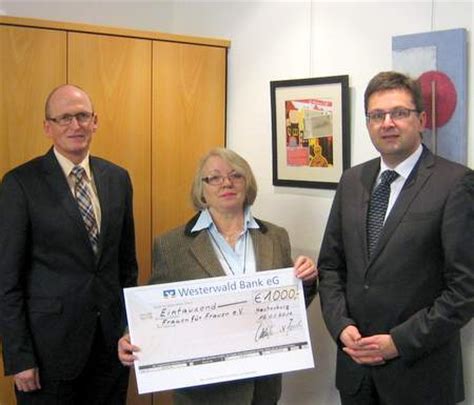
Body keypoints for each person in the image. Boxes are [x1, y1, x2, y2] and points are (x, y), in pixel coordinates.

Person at [318, 70, 474, 405]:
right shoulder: (351, 181)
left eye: (399, 113)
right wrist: (340, 326)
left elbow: (465, 289)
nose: (387, 123)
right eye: (377, 115)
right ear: (368, 123)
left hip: (419, 375)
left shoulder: (455, 183)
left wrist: (398, 342)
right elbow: (330, 267)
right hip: (356, 372)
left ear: (421, 119)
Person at [118, 147, 318, 404]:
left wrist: (308, 279)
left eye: (236, 175)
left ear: (248, 184)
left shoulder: (275, 237)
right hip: (202, 392)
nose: (226, 182)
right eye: (214, 177)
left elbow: (288, 307)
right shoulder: (171, 245)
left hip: (262, 388)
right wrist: (131, 335)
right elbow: (154, 310)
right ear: (201, 190)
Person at [0, 84, 138, 404]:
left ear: (95, 121)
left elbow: (126, 267)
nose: (75, 126)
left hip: (111, 350)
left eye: (82, 116)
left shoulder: (118, 178)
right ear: (47, 127)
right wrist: (20, 358)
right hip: (48, 355)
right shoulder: (20, 184)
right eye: (64, 118)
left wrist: (129, 329)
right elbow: (7, 281)